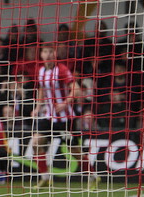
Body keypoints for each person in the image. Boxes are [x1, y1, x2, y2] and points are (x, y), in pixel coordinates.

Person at [30, 44, 97, 188]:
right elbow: (42, 88)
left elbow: (76, 89)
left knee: (74, 151)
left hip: (65, 119)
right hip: (48, 117)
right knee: (36, 142)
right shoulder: (41, 70)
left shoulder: (62, 70)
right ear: (41, 54)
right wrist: (38, 107)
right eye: (45, 51)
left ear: (55, 54)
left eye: (50, 51)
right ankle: (45, 177)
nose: (47, 54)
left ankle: (93, 176)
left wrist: (66, 103)